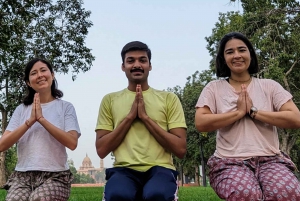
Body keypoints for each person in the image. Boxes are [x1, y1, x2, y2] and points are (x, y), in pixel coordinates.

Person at [195, 32, 300, 201]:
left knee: (288, 193)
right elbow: (201, 122)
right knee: (245, 194)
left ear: (250, 54)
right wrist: (237, 113)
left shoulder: (269, 86)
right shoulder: (214, 88)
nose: (237, 55)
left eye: (241, 50)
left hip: (270, 160)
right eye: (230, 52)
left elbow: (295, 118)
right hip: (229, 161)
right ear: (223, 58)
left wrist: (253, 112)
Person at [95, 41, 187, 201]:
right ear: (123, 66)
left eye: (142, 60)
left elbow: (180, 149)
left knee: (156, 195)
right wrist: (130, 117)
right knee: (119, 195)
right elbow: (102, 150)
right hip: (123, 170)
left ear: (150, 65)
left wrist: (145, 118)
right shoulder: (110, 100)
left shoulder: (169, 99)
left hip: (160, 169)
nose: (137, 65)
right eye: (131, 61)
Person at [0, 58, 81, 201]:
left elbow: (72, 142)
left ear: (52, 74)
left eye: (43, 70)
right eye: (34, 73)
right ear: (28, 82)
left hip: (56, 176)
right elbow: (2, 144)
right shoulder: (21, 110)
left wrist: (42, 120)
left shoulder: (65, 107)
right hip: (22, 176)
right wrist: (30, 122)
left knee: (39, 199)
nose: (40, 75)